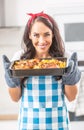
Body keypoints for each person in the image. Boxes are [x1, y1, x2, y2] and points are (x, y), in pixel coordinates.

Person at [2, 11, 81, 130]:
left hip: (58, 123)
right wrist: (12, 80)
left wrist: (70, 77)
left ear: (53, 34)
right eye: (36, 35)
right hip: (28, 124)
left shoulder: (65, 58)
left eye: (46, 34)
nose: (42, 40)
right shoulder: (20, 59)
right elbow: (15, 98)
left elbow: (71, 97)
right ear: (29, 35)